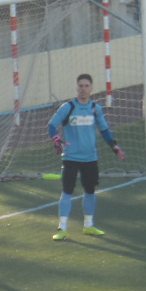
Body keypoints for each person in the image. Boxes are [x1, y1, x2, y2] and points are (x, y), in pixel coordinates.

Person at [46, 72, 126, 241]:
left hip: (90, 158)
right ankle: (62, 228)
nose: (83, 89)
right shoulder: (68, 107)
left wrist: (114, 146)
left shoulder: (95, 109)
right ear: (77, 88)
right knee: (67, 191)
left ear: (91, 88)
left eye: (86, 86)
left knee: (90, 191)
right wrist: (56, 139)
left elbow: (104, 130)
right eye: (80, 86)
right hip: (71, 157)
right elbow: (52, 125)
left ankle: (89, 226)